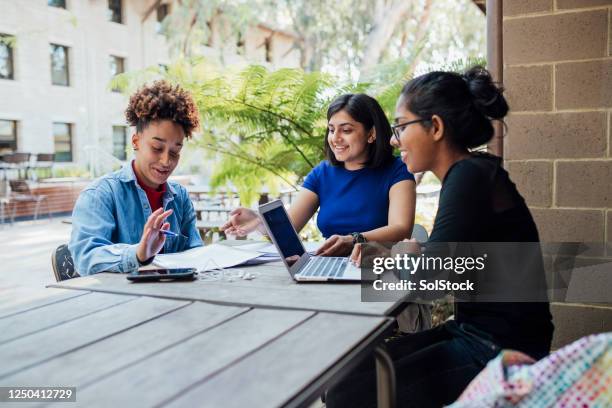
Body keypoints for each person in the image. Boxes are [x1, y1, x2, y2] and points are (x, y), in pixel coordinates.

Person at [327, 67, 554, 408]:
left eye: (401, 126)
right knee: (348, 374)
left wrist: (399, 255)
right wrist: (410, 252)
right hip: (474, 331)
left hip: (499, 349)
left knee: (349, 393)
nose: (394, 139)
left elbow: (428, 281)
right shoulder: (474, 173)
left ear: (435, 127)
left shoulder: (469, 177)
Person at [221, 93, 416, 256]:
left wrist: (354, 240)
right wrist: (257, 221)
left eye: (346, 130)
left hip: (376, 266)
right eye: (331, 130)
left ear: (371, 134)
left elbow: (400, 229)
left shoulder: (397, 170)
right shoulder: (322, 173)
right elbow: (288, 229)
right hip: (329, 265)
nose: (335, 138)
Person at [69, 80, 203, 275]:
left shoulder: (180, 197)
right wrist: (138, 254)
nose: (166, 161)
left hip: (175, 299)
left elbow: (194, 252)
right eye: (157, 148)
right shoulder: (101, 194)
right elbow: (85, 257)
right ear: (136, 141)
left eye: (175, 152)